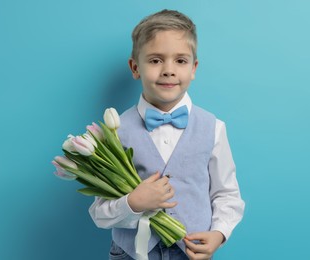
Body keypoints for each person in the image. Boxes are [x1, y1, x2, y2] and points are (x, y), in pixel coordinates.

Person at [89, 9, 245, 260]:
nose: (168, 70)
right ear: (135, 67)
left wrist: (219, 233)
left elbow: (226, 194)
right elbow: (99, 213)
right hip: (132, 254)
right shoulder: (114, 132)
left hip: (192, 253)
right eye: (155, 60)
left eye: (180, 61)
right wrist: (133, 203)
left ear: (193, 68)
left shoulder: (214, 127)